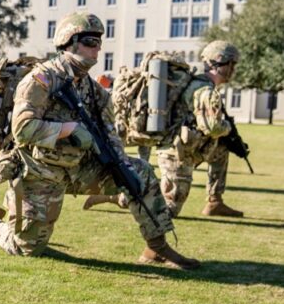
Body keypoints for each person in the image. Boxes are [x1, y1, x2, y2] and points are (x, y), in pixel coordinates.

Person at [0, 12, 199, 269]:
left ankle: (156, 248)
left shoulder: (94, 90)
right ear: (69, 42)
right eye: (91, 41)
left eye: (100, 42)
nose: (98, 49)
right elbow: (23, 129)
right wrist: (67, 130)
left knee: (141, 174)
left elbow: (110, 133)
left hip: (80, 167)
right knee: (26, 248)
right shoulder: (41, 80)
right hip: (41, 171)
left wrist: (121, 165)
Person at [86, 41, 242, 217]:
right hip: (175, 153)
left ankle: (215, 201)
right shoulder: (205, 90)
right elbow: (213, 127)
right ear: (223, 63)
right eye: (233, 64)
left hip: (187, 148)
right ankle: (118, 196)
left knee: (221, 150)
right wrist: (227, 127)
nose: (234, 69)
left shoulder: (197, 84)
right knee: (166, 210)